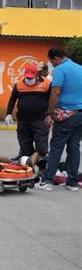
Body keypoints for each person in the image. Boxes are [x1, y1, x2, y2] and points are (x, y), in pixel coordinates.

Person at [36, 47, 82, 191]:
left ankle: (47, 181)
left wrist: (49, 113)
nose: (52, 65)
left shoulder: (60, 70)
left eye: (52, 62)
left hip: (66, 114)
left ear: (56, 58)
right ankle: (73, 183)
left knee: (56, 146)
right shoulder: (80, 68)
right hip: (80, 114)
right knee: (74, 147)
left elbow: (56, 92)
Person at [5, 64, 51, 160]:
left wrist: (50, 114)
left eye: (31, 78)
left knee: (41, 146)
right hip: (23, 120)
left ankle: (42, 167)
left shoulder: (47, 84)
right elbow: (12, 99)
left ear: (37, 75)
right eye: (27, 78)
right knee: (24, 144)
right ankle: (28, 165)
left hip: (40, 120)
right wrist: (8, 114)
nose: (29, 80)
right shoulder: (19, 84)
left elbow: (52, 99)